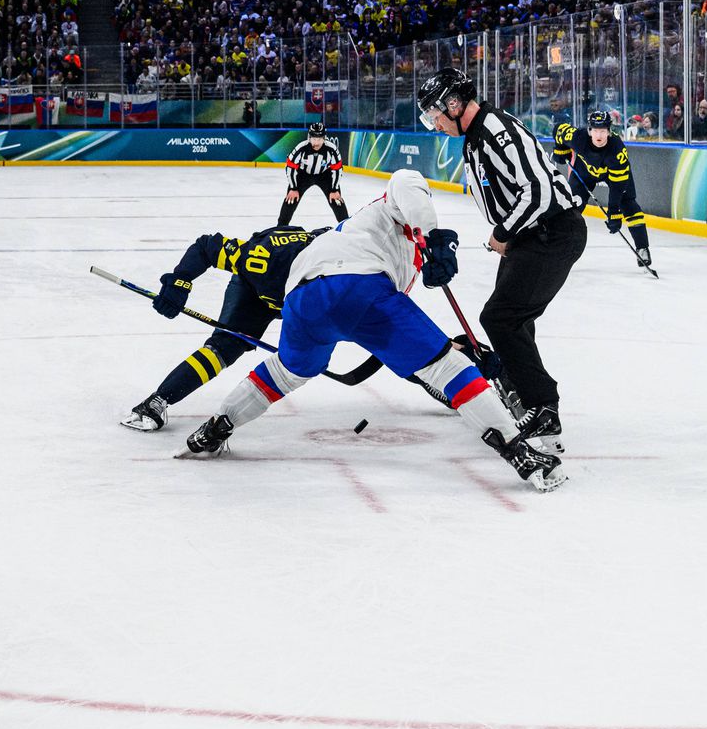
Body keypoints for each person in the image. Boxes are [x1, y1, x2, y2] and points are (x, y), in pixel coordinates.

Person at [180, 171, 564, 492]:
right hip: (359, 286)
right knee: (447, 368)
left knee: (284, 372)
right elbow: (406, 180)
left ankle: (215, 429)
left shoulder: (387, 256)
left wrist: (451, 350)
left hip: (301, 299)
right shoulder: (386, 212)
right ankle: (520, 453)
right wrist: (435, 238)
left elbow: (393, 344)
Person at [418, 66, 585, 445]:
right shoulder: (475, 137)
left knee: (501, 318)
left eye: (435, 114)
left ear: (454, 104)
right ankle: (525, 396)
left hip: (552, 231)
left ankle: (543, 406)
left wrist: (503, 232)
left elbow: (539, 191)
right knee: (513, 320)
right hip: (531, 235)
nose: (436, 124)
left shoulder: (496, 129)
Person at [123, 223, 319, 432]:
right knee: (225, 347)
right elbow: (206, 247)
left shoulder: (337, 269)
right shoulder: (260, 259)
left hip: (298, 295)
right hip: (254, 291)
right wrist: (180, 281)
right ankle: (156, 401)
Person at [569, 109, 653, 270]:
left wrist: (613, 212)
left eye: (602, 131)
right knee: (572, 206)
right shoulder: (578, 137)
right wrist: (560, 150)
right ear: (589, 130)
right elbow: (558, 131)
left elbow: (617, 188)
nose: (599, 135)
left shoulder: (617, 150)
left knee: (629, 205)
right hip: (585, 173)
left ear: (609, 131)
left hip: (613, 174)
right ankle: (560, 248)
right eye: (595, 130)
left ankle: (642, 248)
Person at [279, 122, 348, 226]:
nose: (316, 142)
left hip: (325, 176)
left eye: (319, 139)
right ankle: (281, 227)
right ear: (309, 137)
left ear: (324, 138)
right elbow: (291, 167)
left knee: (336, 199)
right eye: (314, 139)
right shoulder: (301, 148)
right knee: (291, 199)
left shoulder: (332, 149)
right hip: (303, 176)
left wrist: (334, 189)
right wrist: (293, 188)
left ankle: (346, 226)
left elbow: (337, 169)